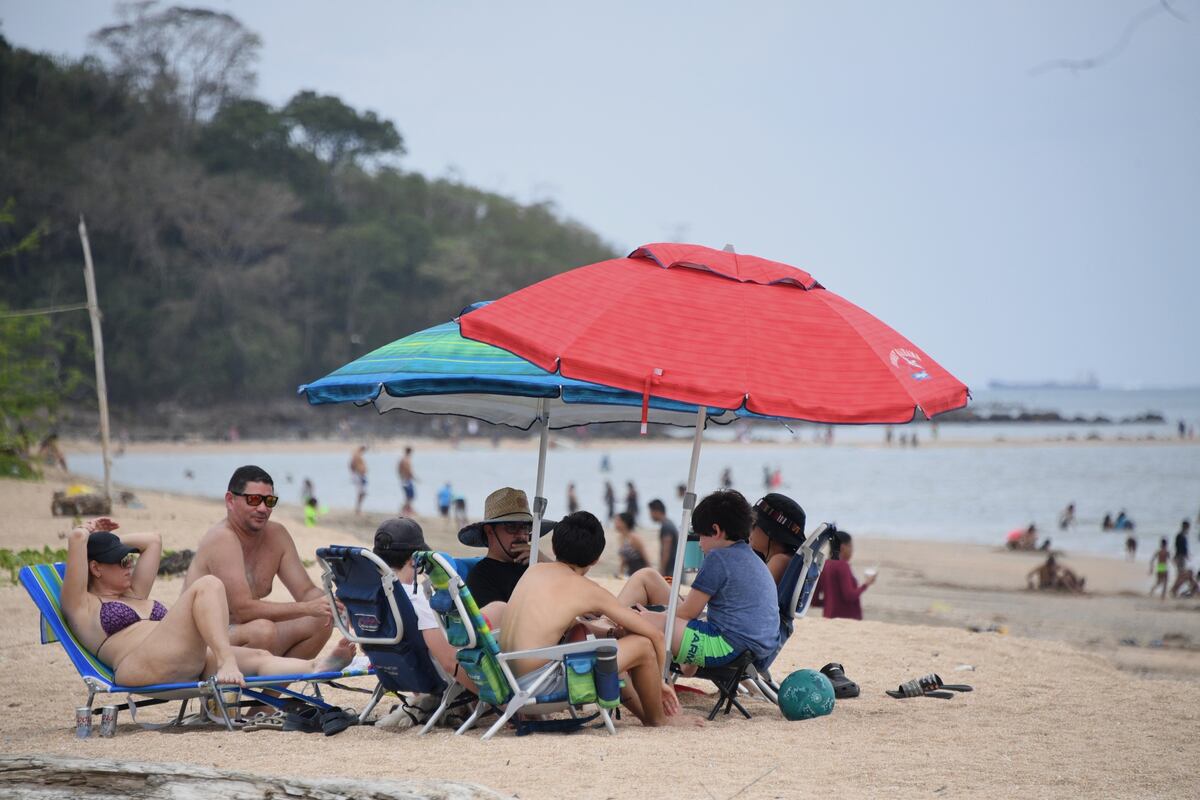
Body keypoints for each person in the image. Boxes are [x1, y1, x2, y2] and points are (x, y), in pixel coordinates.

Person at [63, 517, 353, 690]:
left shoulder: (135, 593)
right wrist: (89, 532)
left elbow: (153, 541)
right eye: (120, 561)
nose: (129, 566)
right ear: (96, 568)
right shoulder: (84, 605)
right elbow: (77, 538)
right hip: (139, 665)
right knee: (209, 585)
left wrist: (111, 540)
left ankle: (315, 666)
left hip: (184, 658)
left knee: (260, 656)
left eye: (130, 559)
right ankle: (226, 660)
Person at [500, 511, 698, 728]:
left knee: (606, 653)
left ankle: (646, 715)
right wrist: (661, 683)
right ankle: (659, 720)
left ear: (555, 547)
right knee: (642, 646)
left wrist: (610, 634)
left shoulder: (534, 571)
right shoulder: (587, 590)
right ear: (595, 559)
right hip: (540, 689)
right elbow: (655, 635)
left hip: (508, 683)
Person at [617, 490, 780, 673]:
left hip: (726, 647)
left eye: (701, 536)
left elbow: (688, 612)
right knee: (648, 577)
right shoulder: (751, 558)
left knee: (637, 621)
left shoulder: (718, 558)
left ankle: (610, 629)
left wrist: (653, 616)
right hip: (756, 649)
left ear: (716, 531)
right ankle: (611, 620)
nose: (699, 544)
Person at [184, 465, 334, 658]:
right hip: (201, 642)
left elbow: (305, 591)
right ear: (230, 500)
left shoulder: (277, 535)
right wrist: (307, 608)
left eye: (269, 501)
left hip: (245, 638)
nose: (263, 508)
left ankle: (272, 689)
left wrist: (332, 604)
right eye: (254, 500)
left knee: (321, 621)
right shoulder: (222, 538)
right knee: (263, 630)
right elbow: (242, 610)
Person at [371, 517, 495, 695]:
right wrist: (491, 697)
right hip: (436, 678)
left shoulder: (372, 595)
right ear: (415, 560)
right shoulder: (417, 599)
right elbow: (448, 662)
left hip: (395, 672)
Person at [459, 487, 545, 607]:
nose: (521, 535)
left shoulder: (535, 565)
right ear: (490, 531)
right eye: (512, 526)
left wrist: (544, 560)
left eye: (526, 527)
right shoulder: (481, 577)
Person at [813, 530, 874, 620]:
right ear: (842, 547)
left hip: (828, 617)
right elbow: (849, 595)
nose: (852, 551)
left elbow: (814, 601)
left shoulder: (824, 565)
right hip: (846, 618)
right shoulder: (842, 565)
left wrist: (830, 603)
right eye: (850, 546)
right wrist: (866, 584)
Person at [747, 492, 805, 584]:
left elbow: (755, 595)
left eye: (754, 524)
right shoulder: (788, 558)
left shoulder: (779, 561)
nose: (750, 529)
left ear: (771, 532)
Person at [647, 499, 678, 577]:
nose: (650, 515)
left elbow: (666, 550)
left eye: (651, 512)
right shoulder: (669, 523)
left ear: (657, 511)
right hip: (675, 566)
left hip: (671, 568)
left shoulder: (666, 526)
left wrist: (662, 569)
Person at [613, 512, 650, 577]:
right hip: (630, 572)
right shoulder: (621, 538)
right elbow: (623, 559)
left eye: (618, 521)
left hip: (640, 572)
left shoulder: (634, 538)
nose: (615, 523)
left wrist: (649, 575)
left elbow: (646, 558)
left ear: (624, 523)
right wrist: (620, 572)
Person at [1170, 520, 1192, 597]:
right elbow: (1179, 547)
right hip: (1180, 557)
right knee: (1181, 574)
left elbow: (1180, 547)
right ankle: (1173, 590)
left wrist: (1187, 554)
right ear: (1185, 526)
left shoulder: (1181, 535)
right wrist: (1184, 555)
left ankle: (1174, 590)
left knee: (1181, 575)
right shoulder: (1181, 535)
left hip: (1180, 557)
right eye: (1188, 527)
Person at [349, 445, 368, 515]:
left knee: (363, 493)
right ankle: (358, 509)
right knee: (361, 492)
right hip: (359, 475)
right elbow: (351, 465)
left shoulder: (358, 455)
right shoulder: (356, 455)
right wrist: (356, 474)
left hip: (360, 475)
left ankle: (358, 509)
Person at [398, 446, 416, 515]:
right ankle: (404, 509)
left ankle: (407, 508)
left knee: (409, 495)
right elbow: (409, 470)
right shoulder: (406, 460)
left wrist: (401, 477)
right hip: (407, 480)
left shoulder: (402, 459)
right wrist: (414, 478)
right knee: (410, 495)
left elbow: (398, 469)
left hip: (405, 479)